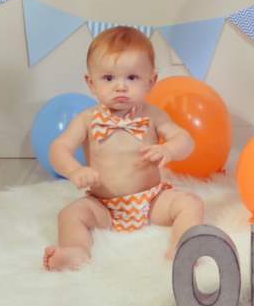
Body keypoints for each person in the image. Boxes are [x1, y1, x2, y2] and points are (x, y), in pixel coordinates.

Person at [43, 26, 205, 271]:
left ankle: (182, 248)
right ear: (91, 83)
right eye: (109, 78)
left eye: (132, 77)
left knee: (191, 203)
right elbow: (59, 148)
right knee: (69, 215)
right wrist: (75, 170)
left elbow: (185, 139)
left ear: (150, 82)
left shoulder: (153, 115)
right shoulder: (87, 120)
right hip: (103, 205)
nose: (120, 87)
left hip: (152, 201)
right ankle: (77, 251)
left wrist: (169, 149)